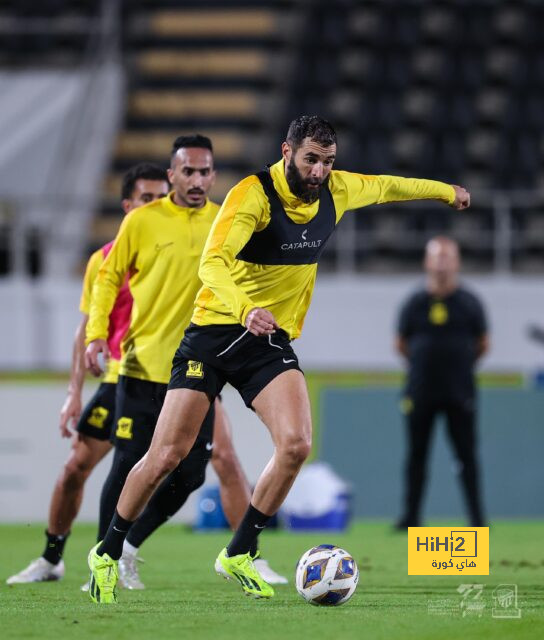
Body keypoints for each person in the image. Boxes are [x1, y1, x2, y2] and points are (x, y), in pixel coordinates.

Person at [88, 115, 471, 603]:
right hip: (212, 332)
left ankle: (240, 551)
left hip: (264, 340)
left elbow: (391, 186)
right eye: (310, 159)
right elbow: (212, 263)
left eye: (328, 162)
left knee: (295, 445)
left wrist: (445, 192)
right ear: (287, 152)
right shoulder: (252, 194)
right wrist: (245, 307)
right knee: (166, 455)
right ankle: (108, 551)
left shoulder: (339, 189)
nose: (319, 171)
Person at [84, 135, 285, 601]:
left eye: (205, 172)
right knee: (128, 466)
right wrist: (97, 332)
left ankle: (128, 546)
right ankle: (103, 558)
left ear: (214, 176)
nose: (197, 180)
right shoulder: (142, 221)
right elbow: (110, 277)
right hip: (143, 364)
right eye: (187, 171)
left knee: (191, 474)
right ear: (171, 174)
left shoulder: (226, 221)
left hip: (201, 366)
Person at [7, 164, 169, 585]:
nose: (156, 207)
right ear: (128, 206)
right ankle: (51, 558)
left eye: (161, 198)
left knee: (205, 462)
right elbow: (85, 330)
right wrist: (73, 393)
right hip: (121, 376)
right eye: (147, 199)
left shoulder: (176, 251)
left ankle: (122, 554)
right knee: (76, 467)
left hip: (175, 375)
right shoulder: (105, 260)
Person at [395, 236, 488, 529]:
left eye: (448, 256)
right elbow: (400, 343)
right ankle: (410, 519)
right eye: (437, 256)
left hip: (460, 393)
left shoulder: (470, 303)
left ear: (457, 262)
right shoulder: (414, 303)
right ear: (427, 261)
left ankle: (477, 520)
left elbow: (483, 343)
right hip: (420, 392)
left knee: (467, 458)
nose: (442, 262)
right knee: (416, 458)